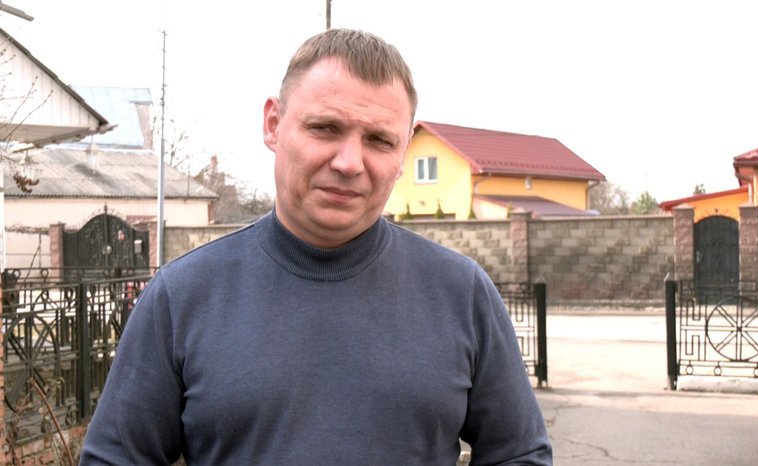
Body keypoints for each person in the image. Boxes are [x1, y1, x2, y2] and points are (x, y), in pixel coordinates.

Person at [80, 29, 552, 465]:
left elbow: (520, 455)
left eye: (379, 140)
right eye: (325, 128)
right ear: (273, 124)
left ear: (404, 152)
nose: (349, 162)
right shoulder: (182, 296)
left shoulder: (461, 293)